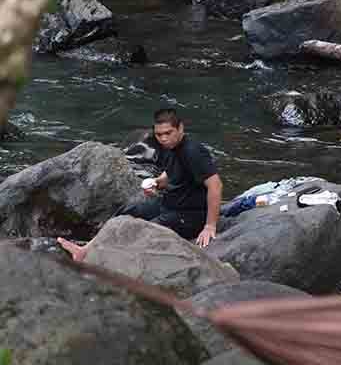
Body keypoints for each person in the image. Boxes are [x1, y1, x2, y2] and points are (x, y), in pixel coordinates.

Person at [57, 108, 223, 261]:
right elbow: (173, 172)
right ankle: (85, 250)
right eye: (159, 134)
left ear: (180, 128)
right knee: (127, 211)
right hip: (170, 203)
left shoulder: (193, 151)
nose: (164, 138)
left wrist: (209, 226)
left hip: (190, 214)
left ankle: (102, 258)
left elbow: (215, 186)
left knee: (144, 229)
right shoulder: (169, 146)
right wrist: (157, 183)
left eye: (168, 133)